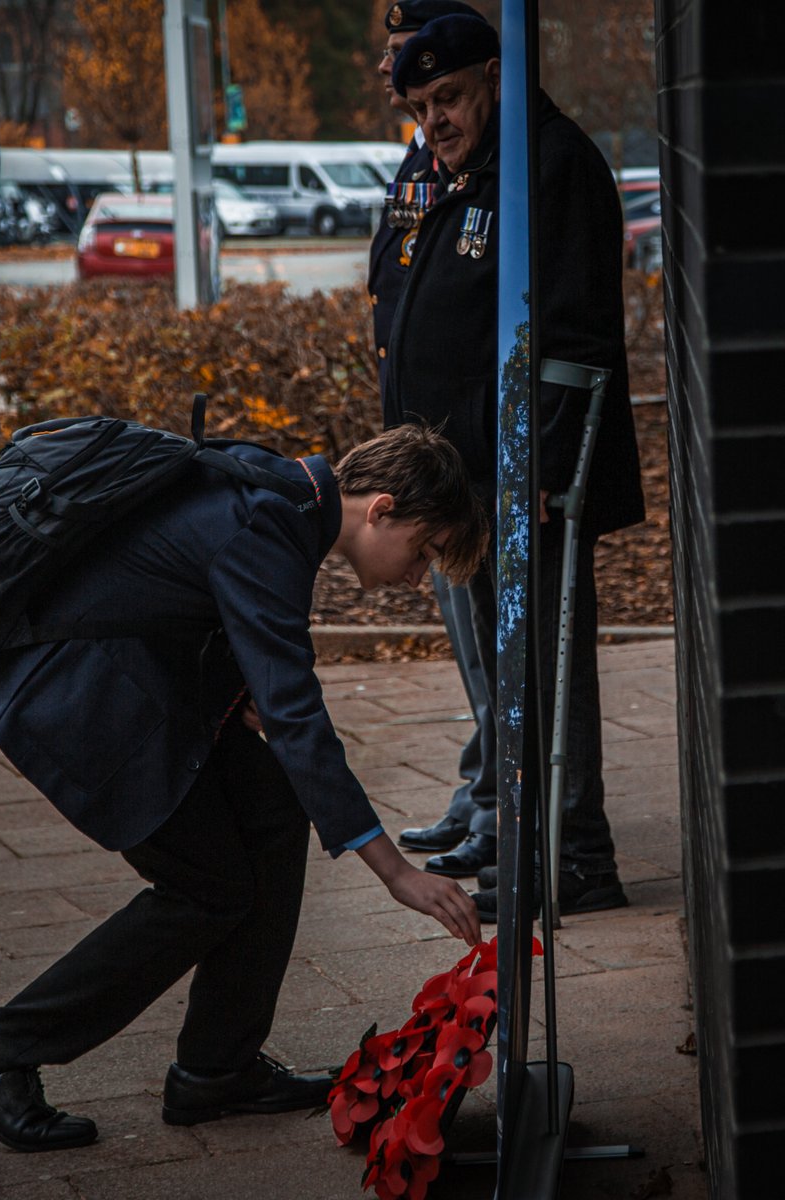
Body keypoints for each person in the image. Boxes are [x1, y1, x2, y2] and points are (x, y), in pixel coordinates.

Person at [0, 426, 489, 1151]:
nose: (415, 576)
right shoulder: (268, 524)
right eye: (425, 550)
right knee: (204, 888)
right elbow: (297, 715)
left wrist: (246, 691)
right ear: (382, 509)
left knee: (274, 809)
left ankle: (218, 1069)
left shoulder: (278, 496)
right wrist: (394, 872)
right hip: (73, 696)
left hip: (131, 683)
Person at [385, 16, 646, 918]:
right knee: (504, 668)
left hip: (524, 477)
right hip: (467, 479)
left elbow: (575, 333)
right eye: (421, 107)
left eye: (449, 97)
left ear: (495, 76)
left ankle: (574, 853)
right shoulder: (471, 168)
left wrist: (543, 463)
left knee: (541, 658)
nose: (436, 121)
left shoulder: (548, 163)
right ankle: (523, 832)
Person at [366, 0, 500, 883]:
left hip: (479, 461)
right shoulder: (430, 155)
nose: (397, 70)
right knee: (469, 637)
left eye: (417, 63)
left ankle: (504, 803)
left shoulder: (507, 168)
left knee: (497, 640)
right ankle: (485, 786)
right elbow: (396, 273)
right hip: (435, 458)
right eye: (396, 62)